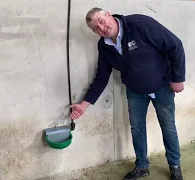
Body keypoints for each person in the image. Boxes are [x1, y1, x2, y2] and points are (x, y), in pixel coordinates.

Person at [69, 7, 185, 180]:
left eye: (101, 21)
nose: (101, 28)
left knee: (168, 127)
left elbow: (175, 45)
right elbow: (101, 77)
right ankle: (142, 166)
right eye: (96, 29)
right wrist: (84, 105)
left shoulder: (139, 24)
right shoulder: (104, 46)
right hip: (135, 91)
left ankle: (174, 165)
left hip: (162, 87)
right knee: (137, 128)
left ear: (108, 14)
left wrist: (177, 78)